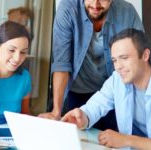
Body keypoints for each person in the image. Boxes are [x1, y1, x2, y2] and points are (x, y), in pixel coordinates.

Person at [62, 29, 151, 150]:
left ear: (145, 55)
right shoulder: (118, 79)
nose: (118, 67)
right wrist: (83, 117)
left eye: (124, 58)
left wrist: (127, 140)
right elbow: (95, 106)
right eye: (115, 60)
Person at [38, 0, 144, 131]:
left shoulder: (127, 12)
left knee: (109, 139)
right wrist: (56, 111)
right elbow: (61, 64)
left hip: (111, 93)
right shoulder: (68, 9)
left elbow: (139, 58)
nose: (95, 4)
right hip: (76, 91)